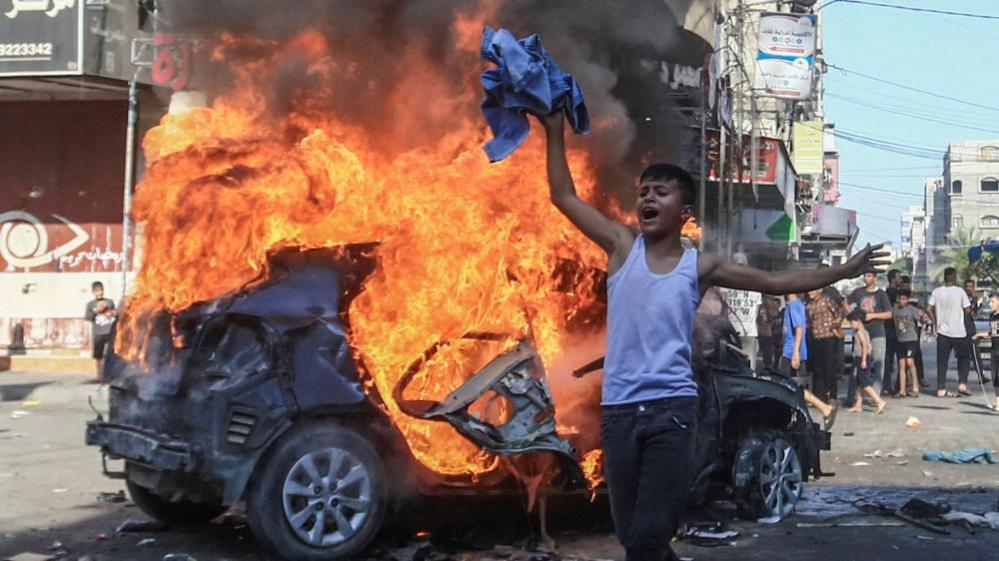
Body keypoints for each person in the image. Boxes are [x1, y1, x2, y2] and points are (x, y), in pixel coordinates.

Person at [539, 110, 886, 561]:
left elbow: (776, 282)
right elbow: (562, 195)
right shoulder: (621, 248)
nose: (647, 198)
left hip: (672, 412)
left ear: (685, 213)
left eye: (660, 192)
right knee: (633, 537)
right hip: (620, 412)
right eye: (643, 192)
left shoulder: (698, 266)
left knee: (648, 536)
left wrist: (845, 269)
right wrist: (552, 130)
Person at [779, 292, 838, 428]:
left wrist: (795, 353)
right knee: (787, 385)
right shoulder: (796, 304)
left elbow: (800, 329)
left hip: (791, 351)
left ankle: (824, 408)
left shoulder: (794, 305)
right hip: (791, 350)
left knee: (785, 385)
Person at [928, 268, 972, 398]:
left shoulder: (936, 292)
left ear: (944, 277)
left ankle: (941, 388)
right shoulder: (960, 292)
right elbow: (967, 310)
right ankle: (962, 384)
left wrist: (935, 321)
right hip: (959, 332)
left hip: (942, 332)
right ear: (955, 277)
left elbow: (929, 309)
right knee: (964, 357)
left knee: (942, 362)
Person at [846, 272, 892, 395]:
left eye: (869, 276)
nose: (866, 278)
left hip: (877, 331)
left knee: (878, 364)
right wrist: (850, 313)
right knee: (857, 364)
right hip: (861, 331)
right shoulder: (858, 292)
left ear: (875, 278)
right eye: (865, 276)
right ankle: (853, 396)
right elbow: (846, 301)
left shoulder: (881, 295)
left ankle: (876, 394)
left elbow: (889, 314)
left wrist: (872, 316)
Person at [719, 267, 762, 371]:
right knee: (748, 362)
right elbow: (757, 311)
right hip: (749, 330)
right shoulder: (755, 287)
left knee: (731, 361)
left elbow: (721, 305)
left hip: (730, 329)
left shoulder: (726, 284)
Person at [806, 286, 843, 405]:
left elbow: (839, 313)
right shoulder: (809, 304)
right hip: (816, 338)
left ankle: (832, 396)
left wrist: (833, 325)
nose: (810, 292)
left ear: (819, 290)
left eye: (812, 290)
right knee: (818, 369)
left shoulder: (827, 300)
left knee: (829, 368)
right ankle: (819, 397)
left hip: (829, 338)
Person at [846, 309, 887, 414]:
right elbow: (869, 347)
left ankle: (879, 401)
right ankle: (858, 405)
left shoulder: (860, 332)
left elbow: (864, 346)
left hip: (861, 358)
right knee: (859, 383)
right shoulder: (865, 332)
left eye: (852, 322)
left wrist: (864, 359)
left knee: (865, 383)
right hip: (862, 358)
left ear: (858, 321)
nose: (851, 325)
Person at [84, 281, 116, 378]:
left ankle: (110, 374)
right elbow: (88, 317)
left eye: (101, 290)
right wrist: (96, 311)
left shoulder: (109, 302)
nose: (99, 293)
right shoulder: (90, 304)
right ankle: (100, 375)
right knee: (98, 357)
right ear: (93, 292)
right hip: (98, 333)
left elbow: (114, 313)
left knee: (111, 355)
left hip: (109, 332)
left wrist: (111, 312)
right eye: (97, 291)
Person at [892, 289, 921, 397]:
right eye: (900, 299)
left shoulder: (912, 310)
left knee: (910, 362)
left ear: (908, 300)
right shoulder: (894, 310)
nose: (902, 301)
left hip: (911, 340)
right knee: (901, 365)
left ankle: (915, 386)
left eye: (904, 299)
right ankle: (902, 389)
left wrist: (922, 316)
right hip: (900, 340)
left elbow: (920, 319)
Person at [976, 293, 999, 411]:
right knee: (994, 376)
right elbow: (992, 332)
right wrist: (980, 335)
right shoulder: (992, 316)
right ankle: (997, 401)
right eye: (990, 302)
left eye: (993, 302)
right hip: (994, 349)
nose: (990, 304)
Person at [883, 269, 902, 386]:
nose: (900, 280)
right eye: (899, 278)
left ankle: (886, 385)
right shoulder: (894, 293)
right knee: (899, 359)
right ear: (893, 279)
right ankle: (898, 386)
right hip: (894, 330)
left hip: (888, 329)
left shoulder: (885, 293)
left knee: (888, 359)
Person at [757, 295, 781, 371]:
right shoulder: (760, 307)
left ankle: (768, 368)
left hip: (768, 334)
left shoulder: (771, 307)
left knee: (768, 353)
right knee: (764, 353)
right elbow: (757, 318)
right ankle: (766, 367)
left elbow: (773, 318)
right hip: (760, 333)